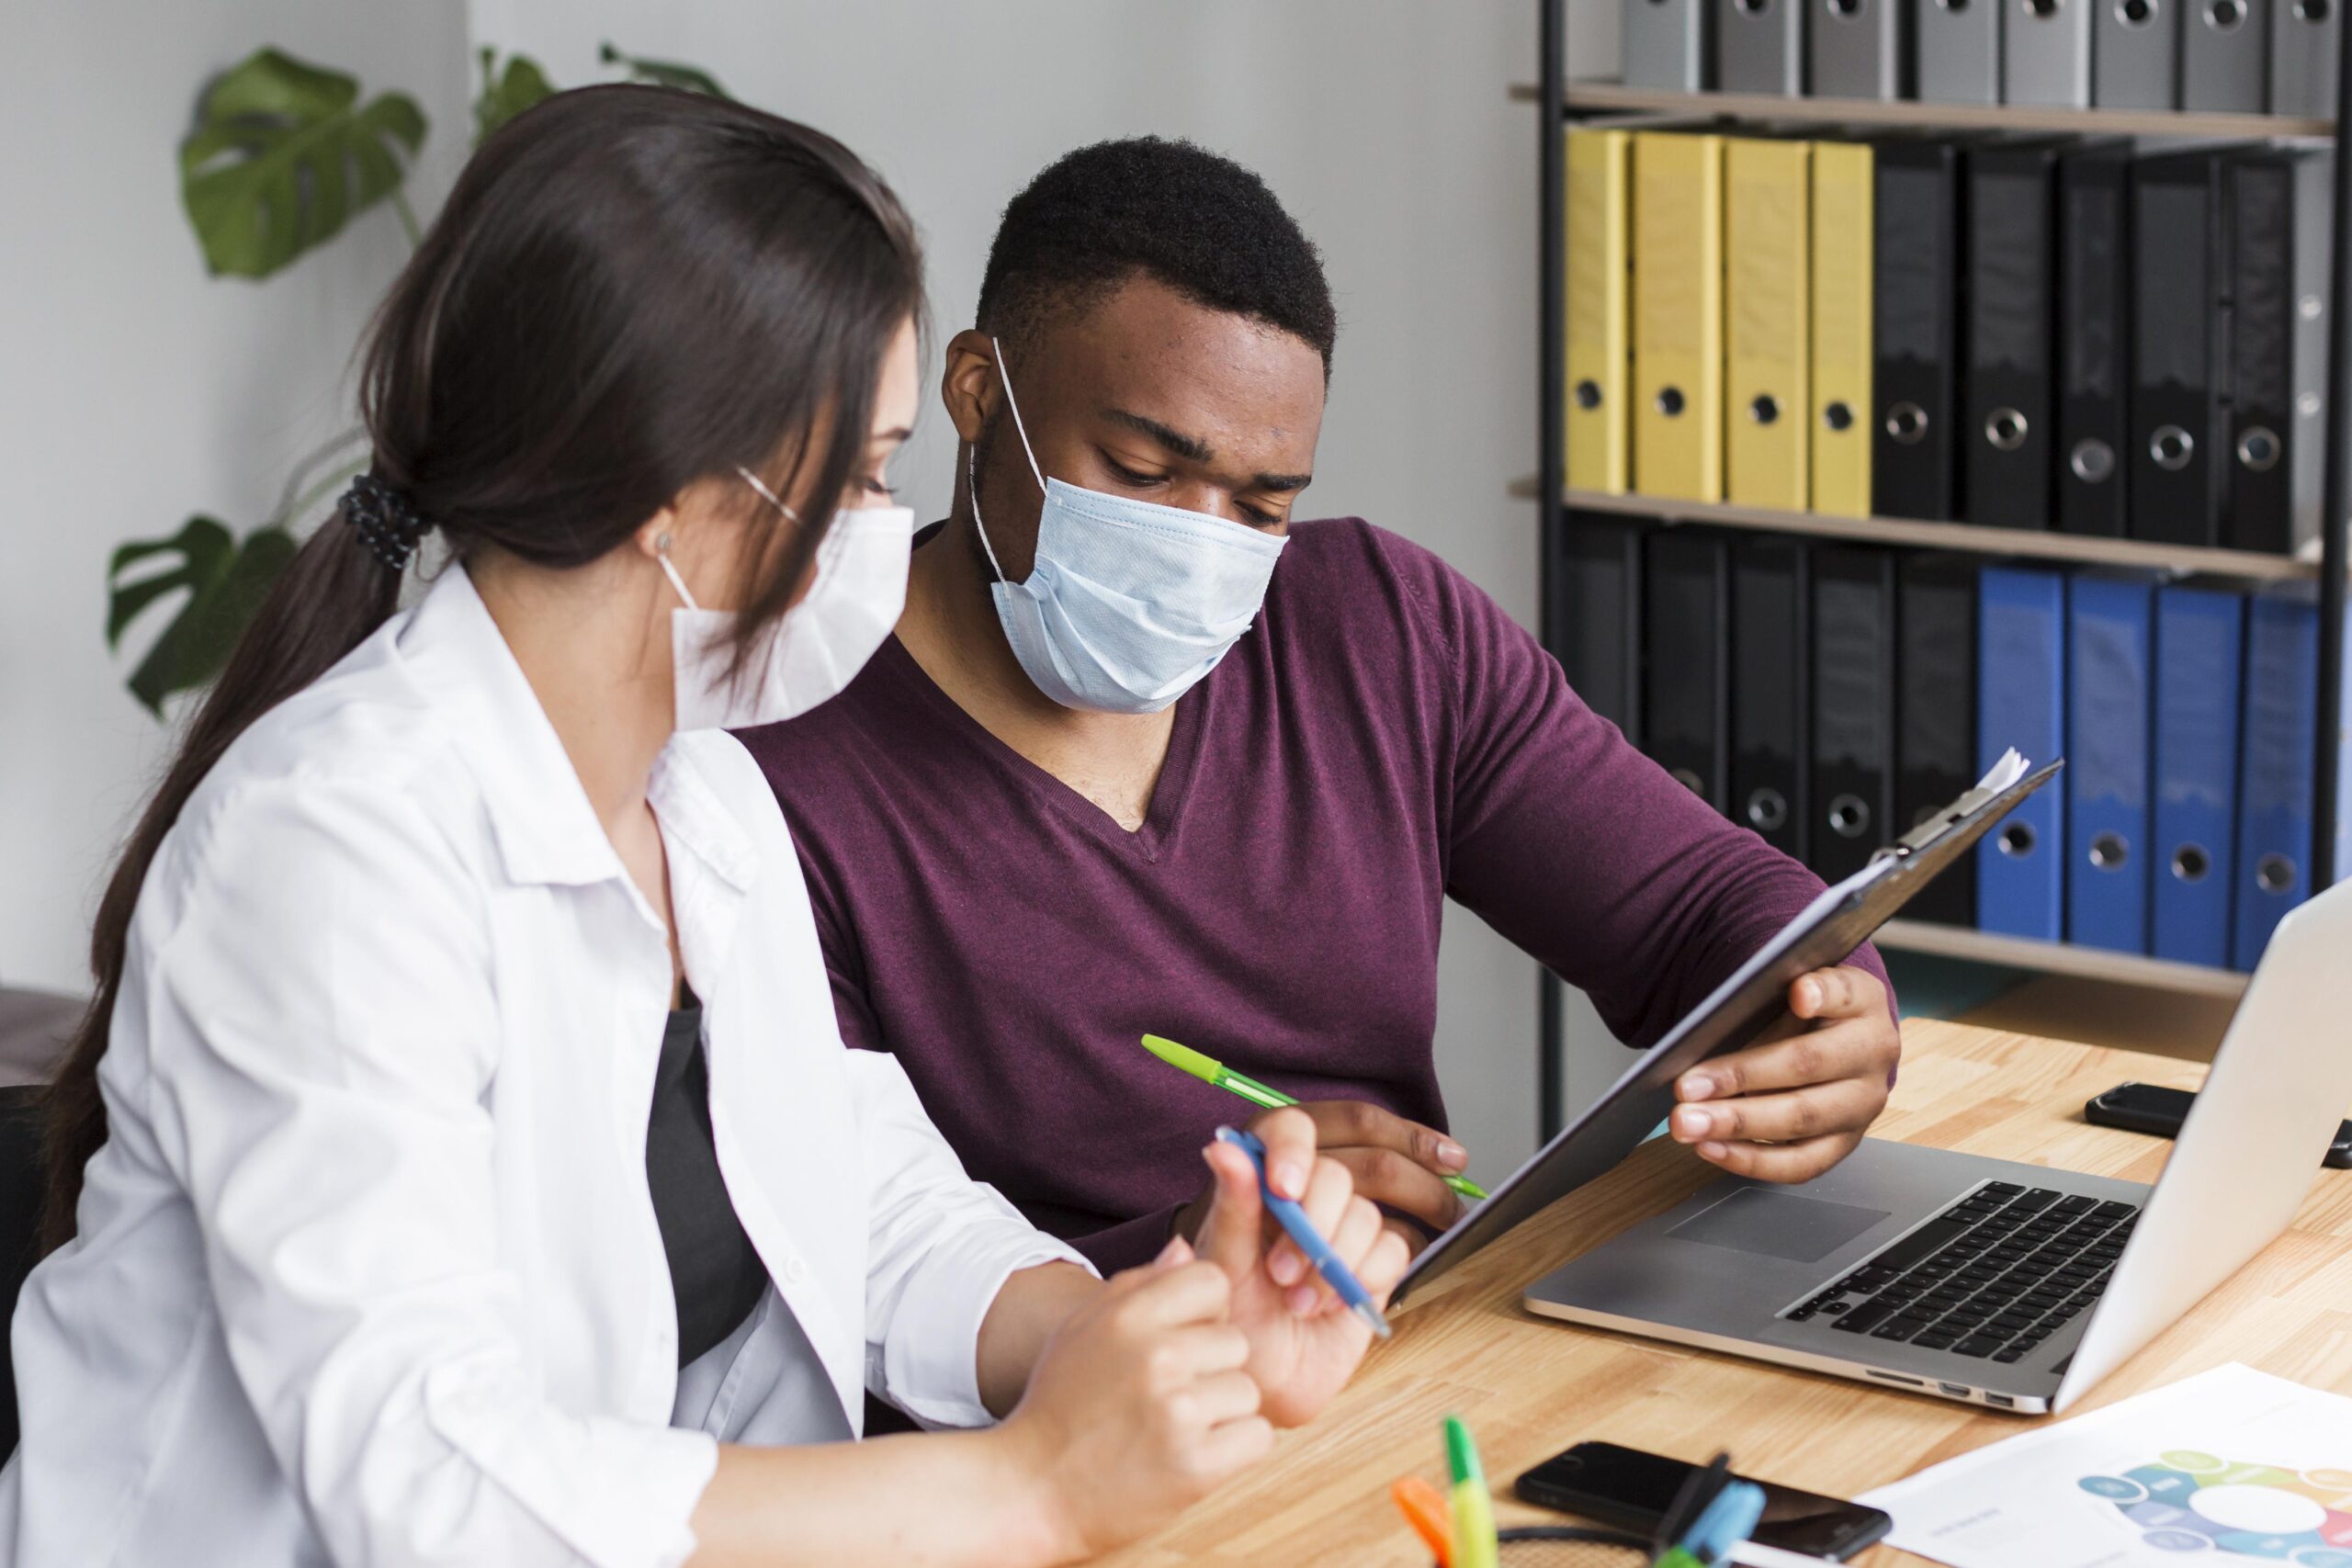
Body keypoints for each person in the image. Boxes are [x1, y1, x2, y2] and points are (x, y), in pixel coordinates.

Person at [5, 93, 1401, 1568]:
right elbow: (426, 1479)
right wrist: (1031, 1486)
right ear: (668, 490)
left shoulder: (706, 799)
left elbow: (866, 1195)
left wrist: (1153, 1334)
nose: (887, 529)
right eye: (862, 476)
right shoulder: (329, 845)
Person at [740, 136, 1902, 1279]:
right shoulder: (774, 764)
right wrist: (1195, 1250)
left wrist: (1825, 1012)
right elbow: (837, 1269)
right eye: (1142, 473)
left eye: (1260, 507)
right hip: (1084, 1381)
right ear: (977, 391)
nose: (1199, 545)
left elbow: (1703, 905)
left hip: (1413, 1340)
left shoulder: (1381, 626)